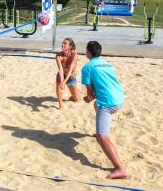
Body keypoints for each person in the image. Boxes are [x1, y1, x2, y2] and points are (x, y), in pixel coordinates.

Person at [81, 41, 128, 179]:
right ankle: (99, 129)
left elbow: (91, 95)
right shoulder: (107, 63)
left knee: (102, 137)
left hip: (108, 103)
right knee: (97, 106)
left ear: (88, 52)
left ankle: (120, 169)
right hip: (120, 98)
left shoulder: (87, 67)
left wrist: (87, 99)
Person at [55, 38, 80, 109]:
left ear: (70, 46)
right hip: (62, 74)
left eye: (65, 43)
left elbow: (71, 69)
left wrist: (65, 81)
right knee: (59, 84)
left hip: (71, 76)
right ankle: (60, 105)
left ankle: (75, 94)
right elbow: (60, 70)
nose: (63, 44)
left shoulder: (74, 55)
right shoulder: (58, 56)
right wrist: (62, 81)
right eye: (62, 43)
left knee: (76, 99)